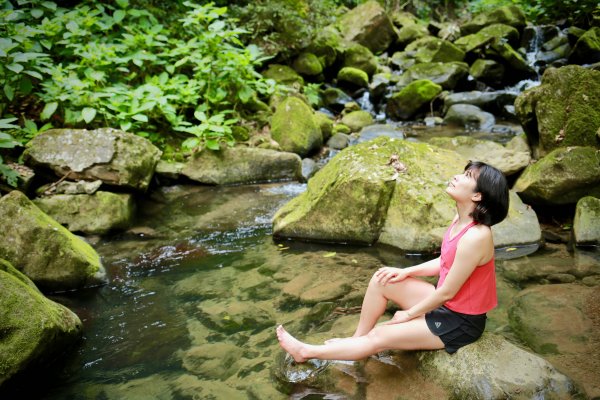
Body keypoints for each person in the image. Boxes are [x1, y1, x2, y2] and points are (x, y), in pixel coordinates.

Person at [276, 160, 509, 362]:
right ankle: (356, 341)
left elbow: (447, 291)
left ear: (477, 195)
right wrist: (406, 271)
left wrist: (406, 315)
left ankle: (305, 352)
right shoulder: (458, 219)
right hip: (444, 306)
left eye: (467, 176)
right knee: (383, 278)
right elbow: (444, 262)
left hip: (460, 322)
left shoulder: (476, 236)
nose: (457, 176)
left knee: (380, 335)